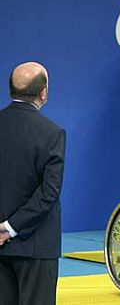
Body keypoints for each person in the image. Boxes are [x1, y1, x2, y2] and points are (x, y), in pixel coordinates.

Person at [0, 62, 66, 305]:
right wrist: (10, 227)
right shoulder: (52, 133)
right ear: (43, 93)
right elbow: (49, 193)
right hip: (36, 247)